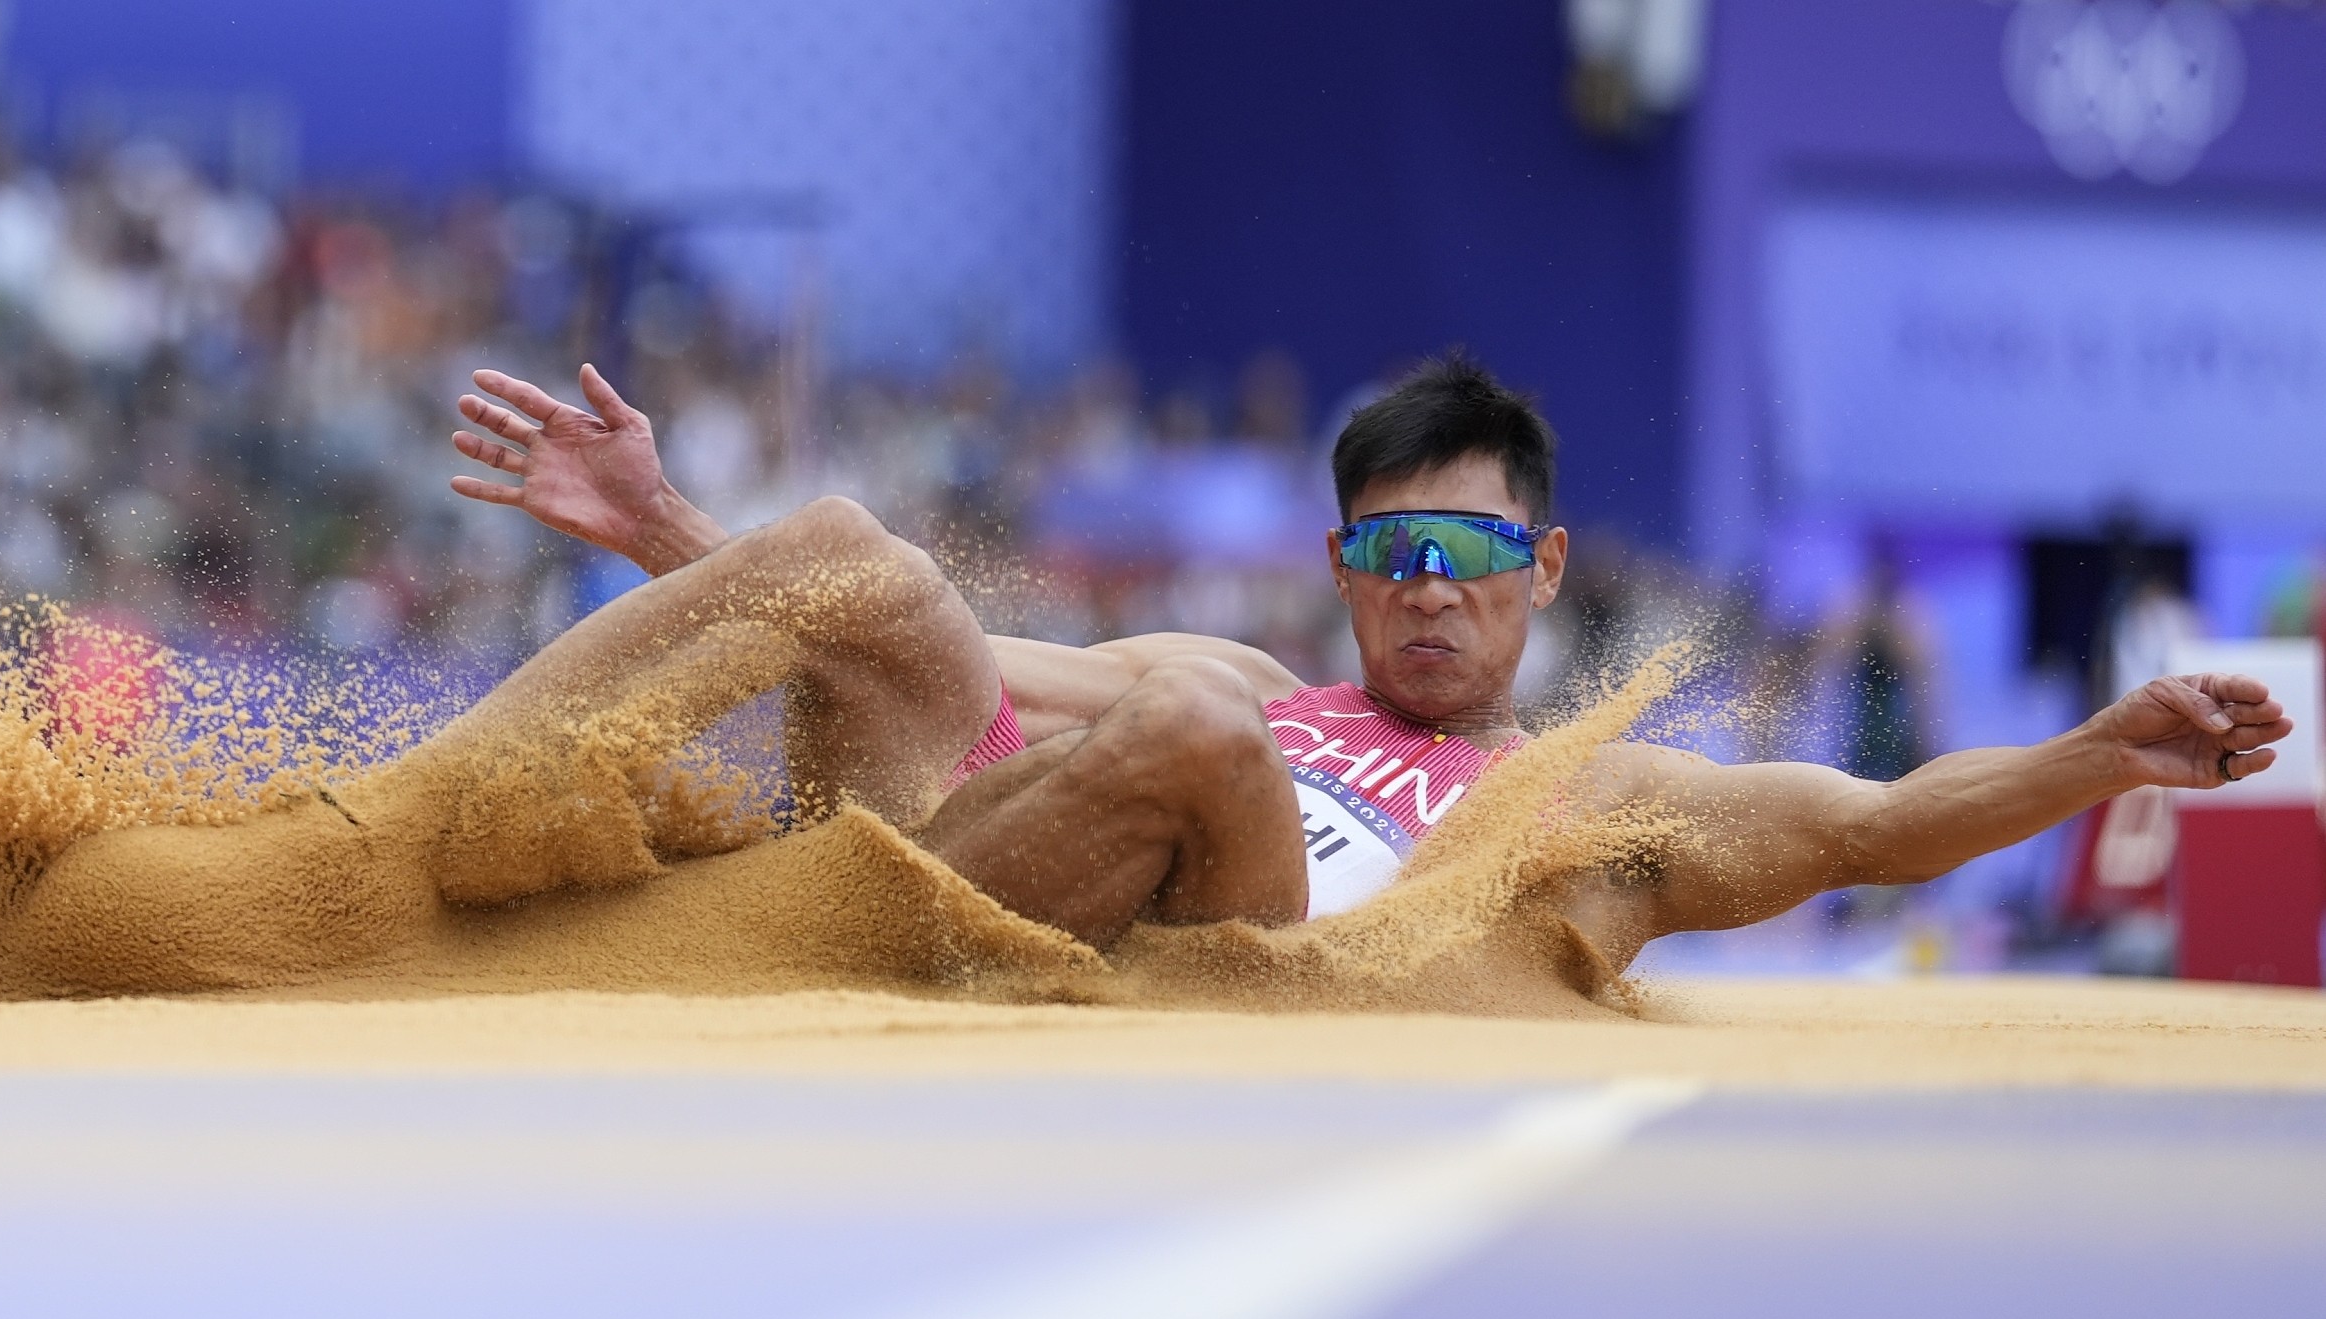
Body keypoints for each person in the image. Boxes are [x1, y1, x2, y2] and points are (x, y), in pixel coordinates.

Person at [442, 352, 2289, 973]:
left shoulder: (1587, 800)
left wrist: (2104, 750)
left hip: (1189, 966)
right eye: (1390, 555)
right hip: (954, 866)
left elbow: (1877, 825)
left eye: (1469, 554)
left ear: (1543, 570)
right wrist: (678, 528)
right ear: (1341, 569)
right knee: (859, 555)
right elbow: (911, 642)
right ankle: (416, 831)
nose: (1427, 590)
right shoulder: (1236, 678)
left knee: (1194, 734)